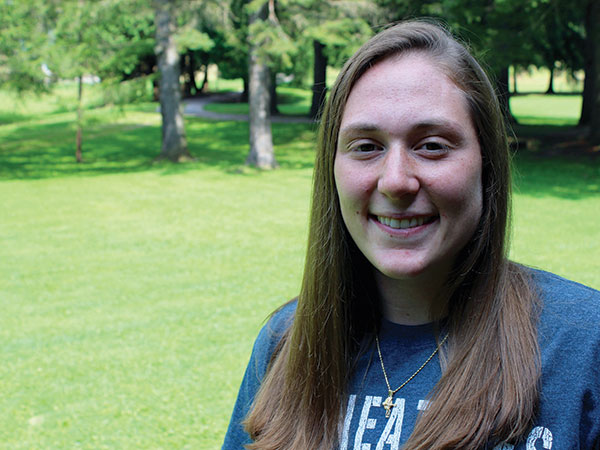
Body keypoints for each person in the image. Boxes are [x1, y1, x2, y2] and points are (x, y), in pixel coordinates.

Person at [222, 20, 600, 450]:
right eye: (366, 146)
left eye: (432, 145)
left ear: (487, 165)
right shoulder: (286, 344)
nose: (395, 181)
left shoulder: (585, 345)